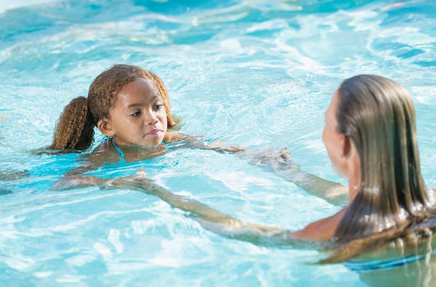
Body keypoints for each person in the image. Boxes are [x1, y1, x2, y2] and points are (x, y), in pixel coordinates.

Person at [103, 74, 436, 285]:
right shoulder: (429, 202)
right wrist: (289, 173)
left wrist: (157, 191)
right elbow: (359, 198)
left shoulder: (336, 233)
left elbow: (245, 232)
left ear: (344, 143)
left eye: (326, 124)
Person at [48, 64, 269, 190]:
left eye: (156, 107)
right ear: (107, 127)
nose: (153, 118)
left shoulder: (170, 139)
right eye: (136, 113)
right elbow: (65, 182)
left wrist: (256, 155)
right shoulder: (107, 156)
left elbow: (212, 146)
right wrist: (113, 181)